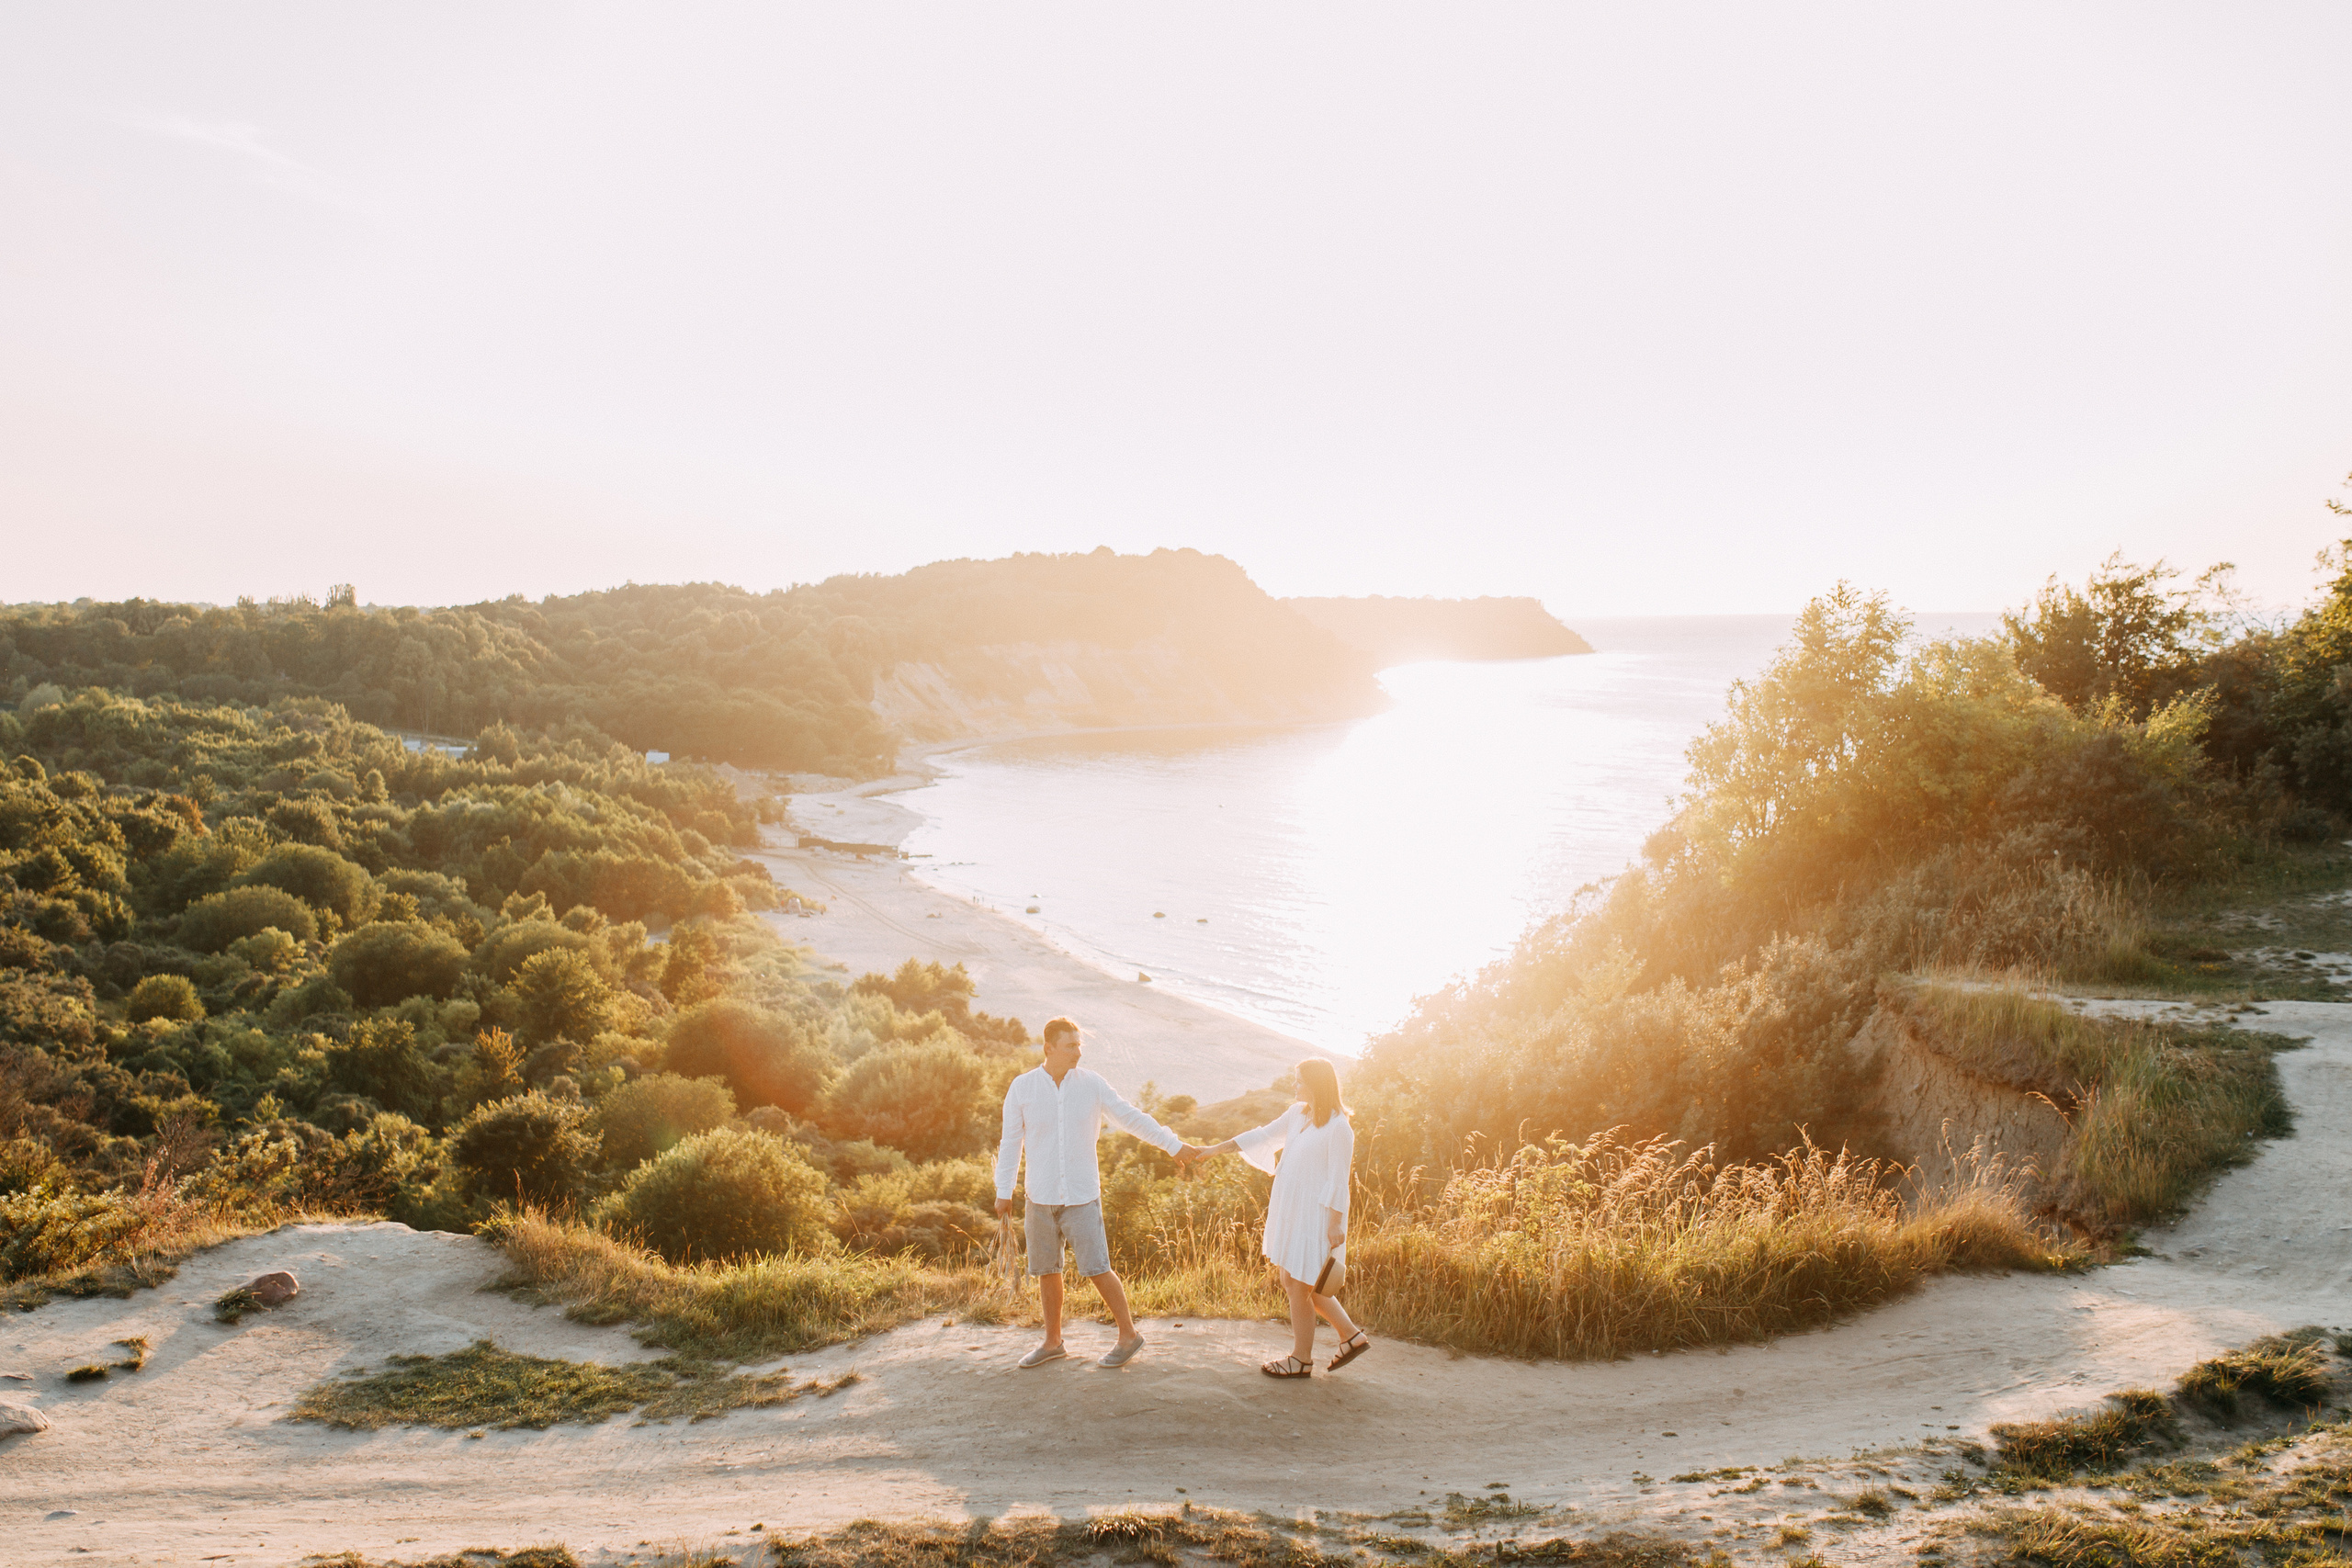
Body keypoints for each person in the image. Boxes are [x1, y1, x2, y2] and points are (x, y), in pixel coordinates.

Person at [995, 1015, 1193, 1370]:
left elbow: (1132, 1118)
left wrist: (1172, 1145)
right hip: (1039, 1197)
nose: (1078, 1052)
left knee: (1098, 1267)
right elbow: (1010, 1142)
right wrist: (1003, 1189)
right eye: (1071, 1045)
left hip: (1081, 1195)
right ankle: (1053, 1342)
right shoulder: (1022, 1087)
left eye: (1079, 1045)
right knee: (1046, 1270)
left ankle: (1129, 1336)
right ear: (1049, 1048)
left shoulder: (1092, 1084)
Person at [1185, 1057, 1370, 1378]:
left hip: (1316, 1214)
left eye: (1299, 1080)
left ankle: (1301, 1359)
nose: (1295, 1085)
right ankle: (1351, 1336)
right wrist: (1213, 1149)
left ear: (1316, 1084)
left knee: (1299, 1284)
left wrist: (1336, 1223)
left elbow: (1339, 1179)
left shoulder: (1340, 1127)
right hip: (1291, 1209)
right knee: (1297, 1281)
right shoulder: (1298, 1114)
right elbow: (1260, 1137)